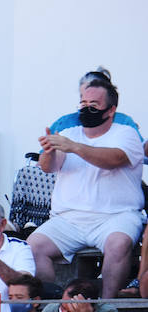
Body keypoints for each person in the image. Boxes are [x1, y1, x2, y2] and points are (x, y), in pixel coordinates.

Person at [29, 70, 145, 298]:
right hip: (69, 219)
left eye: (94, 104)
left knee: (119, 244)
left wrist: (73, 147)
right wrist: (49, 151)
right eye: (83, 103)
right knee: (33, 245)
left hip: (116, 216)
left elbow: (113, 160)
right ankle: (52, 307)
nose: (86, 108)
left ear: (111, 110)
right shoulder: (69, 132)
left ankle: (107, 308)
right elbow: (48, 167)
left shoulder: (126, 133)